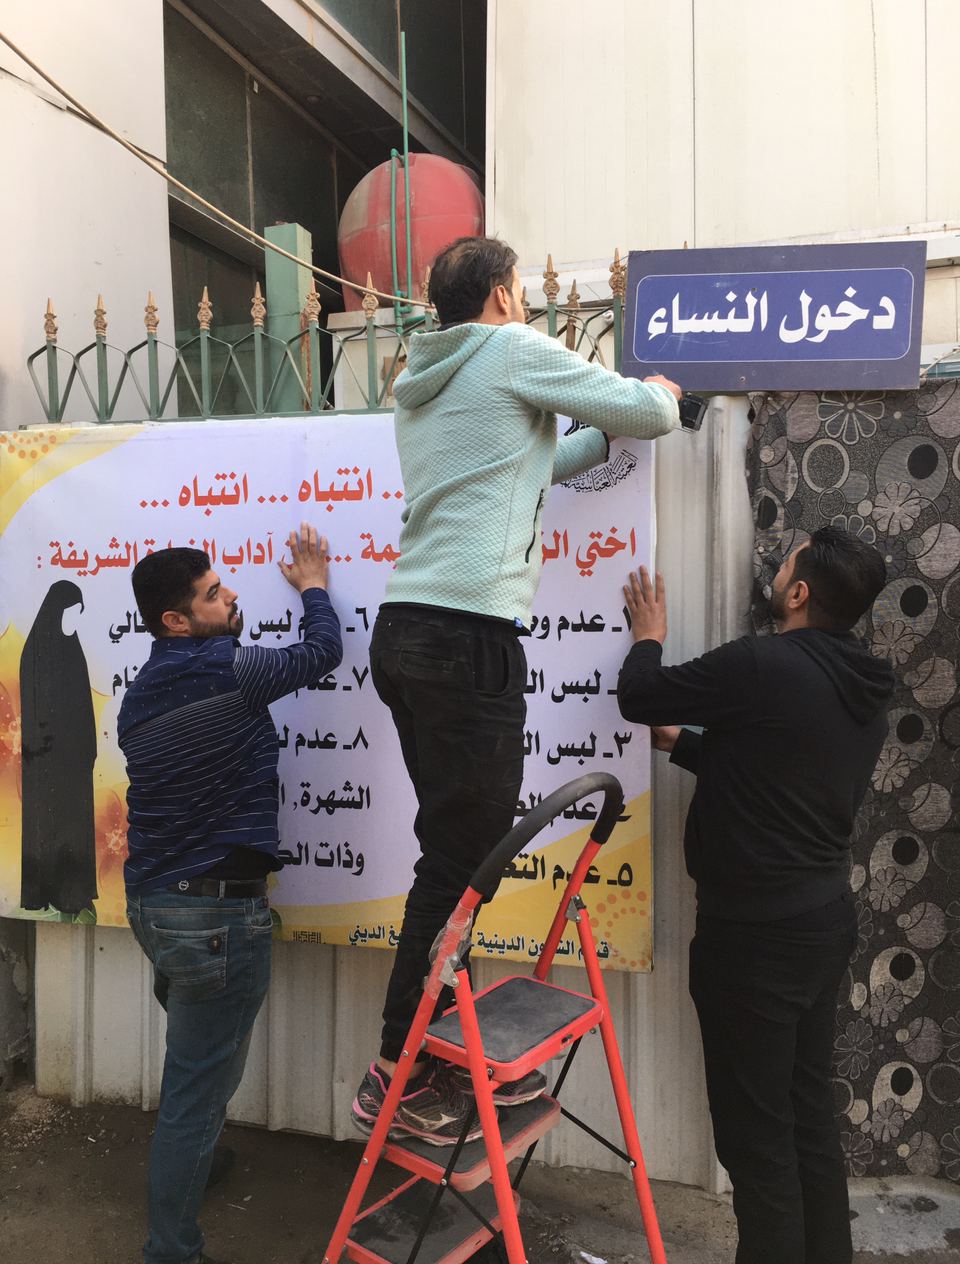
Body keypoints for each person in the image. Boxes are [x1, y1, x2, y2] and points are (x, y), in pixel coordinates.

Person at [351, 235, 682, 1145]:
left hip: (406, 632)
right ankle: (399, 1070)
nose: (525, 310)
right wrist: (659, 397)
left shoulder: (425, 379)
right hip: (467, 639)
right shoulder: (508, 348)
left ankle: (433, 1056)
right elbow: (644, 411)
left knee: (451, 852)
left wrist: (592, 444)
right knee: (462, 862)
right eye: (521, 298)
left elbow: (520, 469)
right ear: (502, 295)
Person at [616, 526, 894, 1264]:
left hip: (754, 943)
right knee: (808, 1120)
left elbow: (638, 695)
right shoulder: (861, 683)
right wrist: (685, 744)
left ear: (798, 593)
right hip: (821, 922)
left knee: (757, 1142)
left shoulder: (763, 663)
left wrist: (649, 637)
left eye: (787, 563)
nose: (776, 569)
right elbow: (786, 769)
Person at [119, 524, 341, 1264]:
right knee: (196, 1091)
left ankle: (198, 1167)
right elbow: (322, 652)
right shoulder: (228, 669)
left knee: (196, 1061)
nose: (232, 595)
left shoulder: (137, 698)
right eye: (215, 594)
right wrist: (314, 586)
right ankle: (171, 1250)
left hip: (154, 908)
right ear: (176, 620)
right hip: (214, 918)